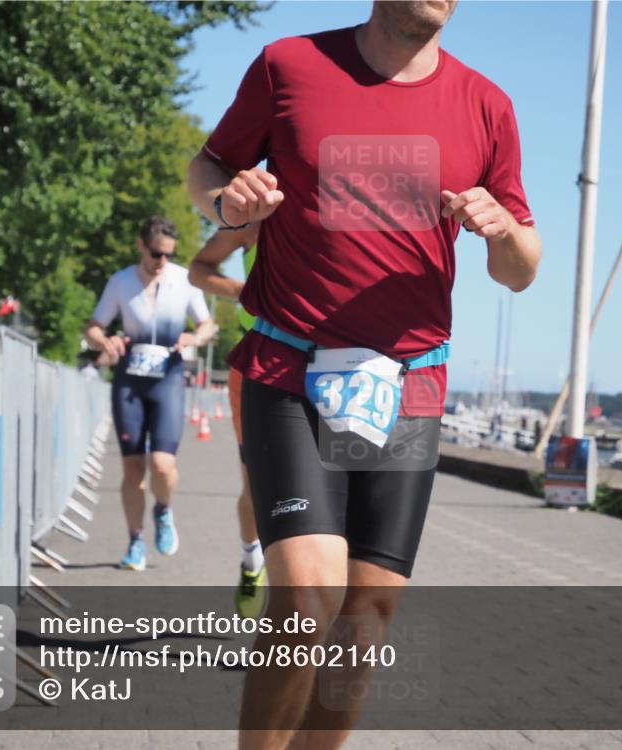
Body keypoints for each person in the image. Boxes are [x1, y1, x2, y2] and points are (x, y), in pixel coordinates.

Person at [187, 2, 541, 747]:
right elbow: (208, 166)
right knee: (309, 594)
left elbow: (520, 271)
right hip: (290, 364)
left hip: (409, 383)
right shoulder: (291, 66)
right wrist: (225, 197)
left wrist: (502, 231)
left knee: (365, 621)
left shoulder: (488, 105)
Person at [84, 216, 215, 571]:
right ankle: (135, 541)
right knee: (131, 469)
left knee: (162, 463)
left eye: (169, 255)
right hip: (130, 381)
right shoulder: (121, 282)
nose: (162, 262)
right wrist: (105, 339)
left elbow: (207, 324)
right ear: (142, 246)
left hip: (167, 380)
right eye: (157, 254)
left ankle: (163, 508)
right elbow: (94, 327)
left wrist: (195, 337)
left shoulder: (184, 280)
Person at [188, 224, 267, 617]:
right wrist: (241, 290)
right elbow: (198, 269)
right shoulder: (258, 214)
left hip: (329, 369)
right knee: (255, 485)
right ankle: (252, 561)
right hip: (257, 363)